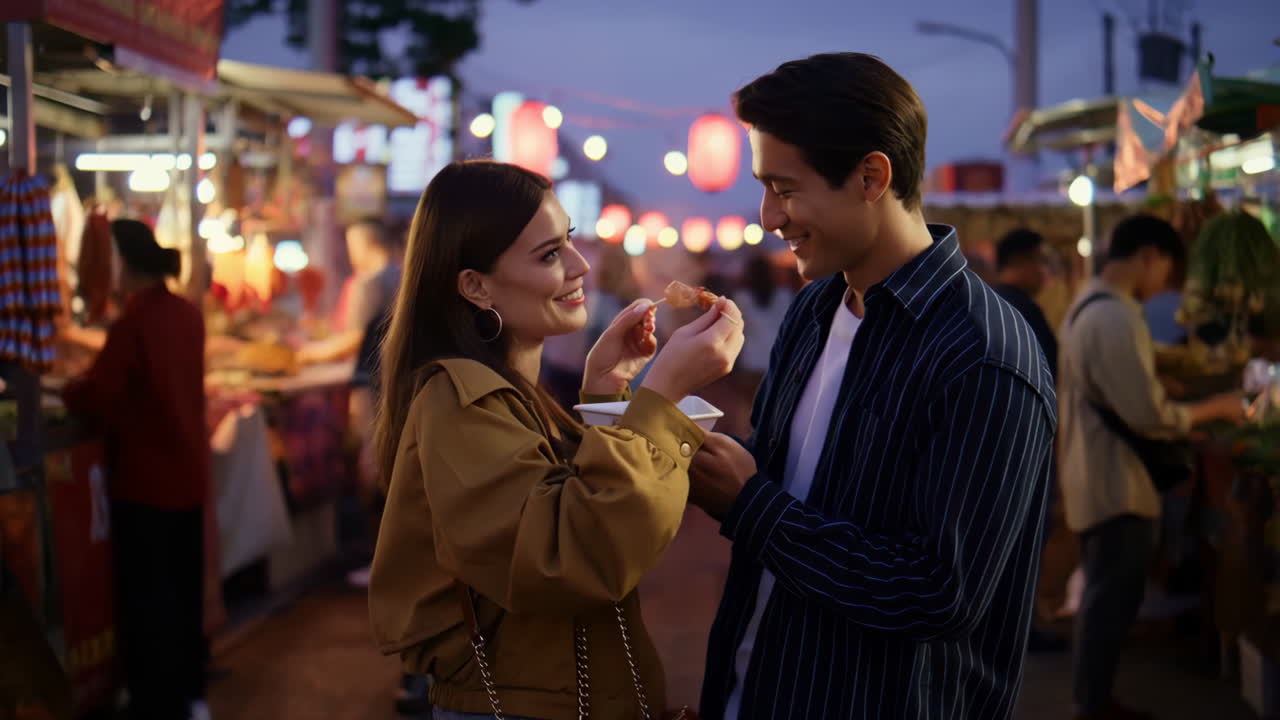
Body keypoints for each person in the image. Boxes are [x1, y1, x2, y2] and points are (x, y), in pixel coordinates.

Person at [687, 53, 1057, 720]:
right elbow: (787, 480)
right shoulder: (818, 305)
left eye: (785, 187)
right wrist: (672, 423)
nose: (770, 216)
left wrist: (749, 505)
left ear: (871, 176)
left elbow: (937, 591)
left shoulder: (982, 356)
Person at [367, 160, 744, 720]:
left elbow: (582, 500)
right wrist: (661, 394)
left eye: (568, 240)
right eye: (549, 255)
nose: (580, 264)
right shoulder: (457, 399)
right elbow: (573, 555)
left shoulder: (510, 392)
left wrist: (607, 388)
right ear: (475, 285)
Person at [1059, 214, 1245, 720]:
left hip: (1095, 473)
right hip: (1117, 482)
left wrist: (1162, 372)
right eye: (1166, 266)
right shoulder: (1114, 317)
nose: (1165, 281)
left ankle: (1094, 699)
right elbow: (1151, 417)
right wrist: (1220, 407)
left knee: (1106, 599)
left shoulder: (1090, 304)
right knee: (1109, 602)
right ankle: (1093, 705)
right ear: (1148, 256)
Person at [63, 220, 211, 720]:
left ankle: (156, 703)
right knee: (182, 594)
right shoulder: (188, 315)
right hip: (188, 476)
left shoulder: (134, 325)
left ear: (121, 264)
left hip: (145, 483)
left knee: (148, 602)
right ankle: (191, 696)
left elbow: (100, 395)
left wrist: (66, 392)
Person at [993, 228, 1069, 653]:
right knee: (1023, 540)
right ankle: (1020, 631)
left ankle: (1022, 627)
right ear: (1022, 261)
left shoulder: (997, 304)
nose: (1048, 272)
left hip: (1013, 446)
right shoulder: (1018, 309)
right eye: (1043, 261)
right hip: (1023, 448)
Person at [298, 217, 400, 365]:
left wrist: (310, 354)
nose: (351, 254)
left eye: (351, 246)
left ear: (363, 244)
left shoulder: (368, 283)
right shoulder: (399, 274)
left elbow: (355, 339)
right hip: (396, 368)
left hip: (371, 374)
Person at [730, 251, 793, 401]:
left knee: (748, 408)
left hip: (751, 360)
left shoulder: (742, 298)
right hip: (776, 359)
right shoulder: (784, 295)